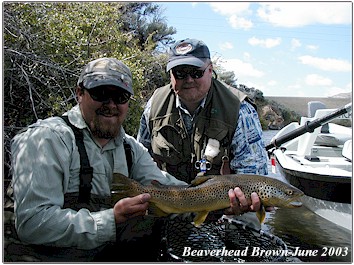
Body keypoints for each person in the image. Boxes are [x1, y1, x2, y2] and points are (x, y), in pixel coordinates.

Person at [10, 57, 262, 262]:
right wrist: (111, 219)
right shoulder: (46, 140)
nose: (110, 104)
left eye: (119, 97)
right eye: (100, 93)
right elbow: (33, 224)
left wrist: (218, 205)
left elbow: (174, 193)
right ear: (80, 93)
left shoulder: (131, 149)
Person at [137, 38, 268, 184]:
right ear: (171, 75)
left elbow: (253, 177)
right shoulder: (154, 105)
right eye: (180, 73)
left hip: (221, 203)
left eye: (196, 72)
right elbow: (140, 163)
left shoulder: (239, 109)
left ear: (210, 70)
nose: (189, 79)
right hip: (166, 201)